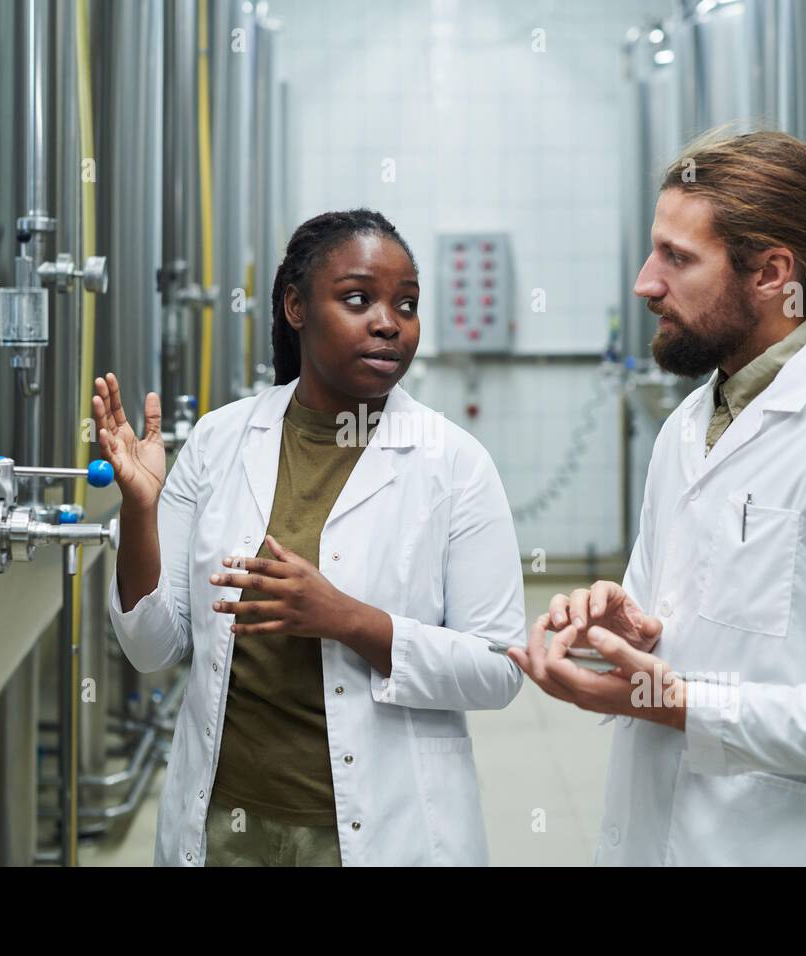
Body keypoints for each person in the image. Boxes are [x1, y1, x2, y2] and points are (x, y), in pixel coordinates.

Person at [510, 130, 806, 866]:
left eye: (677, 258)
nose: (644, 283)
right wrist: (619, 629)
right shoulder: (690, 426)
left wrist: (678, 703)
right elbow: (687, 637)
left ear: (771, 273)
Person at [98, 209, 524, 866]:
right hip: (225, 825)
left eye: (406, 304)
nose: (388, 321)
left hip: (378, 828)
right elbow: (152, 647)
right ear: (296, 306)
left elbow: (498, 669)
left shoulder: (454, 464)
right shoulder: (220, 440)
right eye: (358, 299)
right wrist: (140, 512)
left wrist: (346, 619)